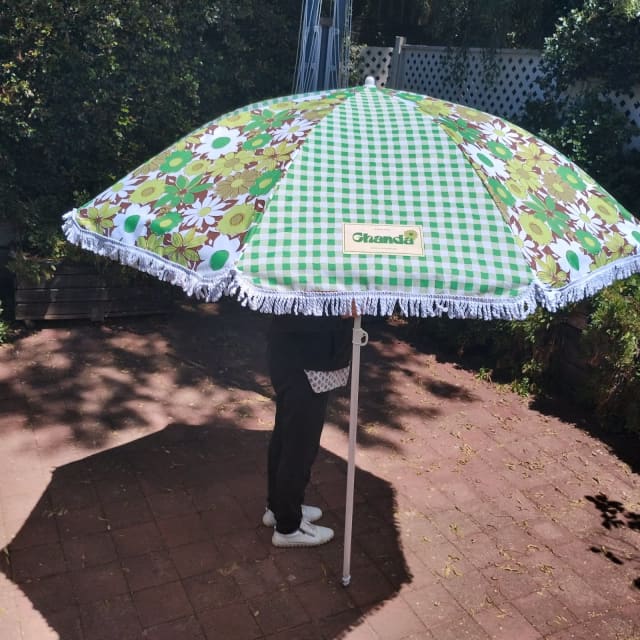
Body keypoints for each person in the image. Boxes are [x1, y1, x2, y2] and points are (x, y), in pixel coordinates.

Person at [263, 313, 353, 547]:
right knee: (299, 446)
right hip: (306, 360)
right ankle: (289, 527)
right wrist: (341, 313)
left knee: (287, 437)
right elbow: (302, 313)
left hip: (296, 356)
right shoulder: (304, 277)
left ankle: (280, 507)